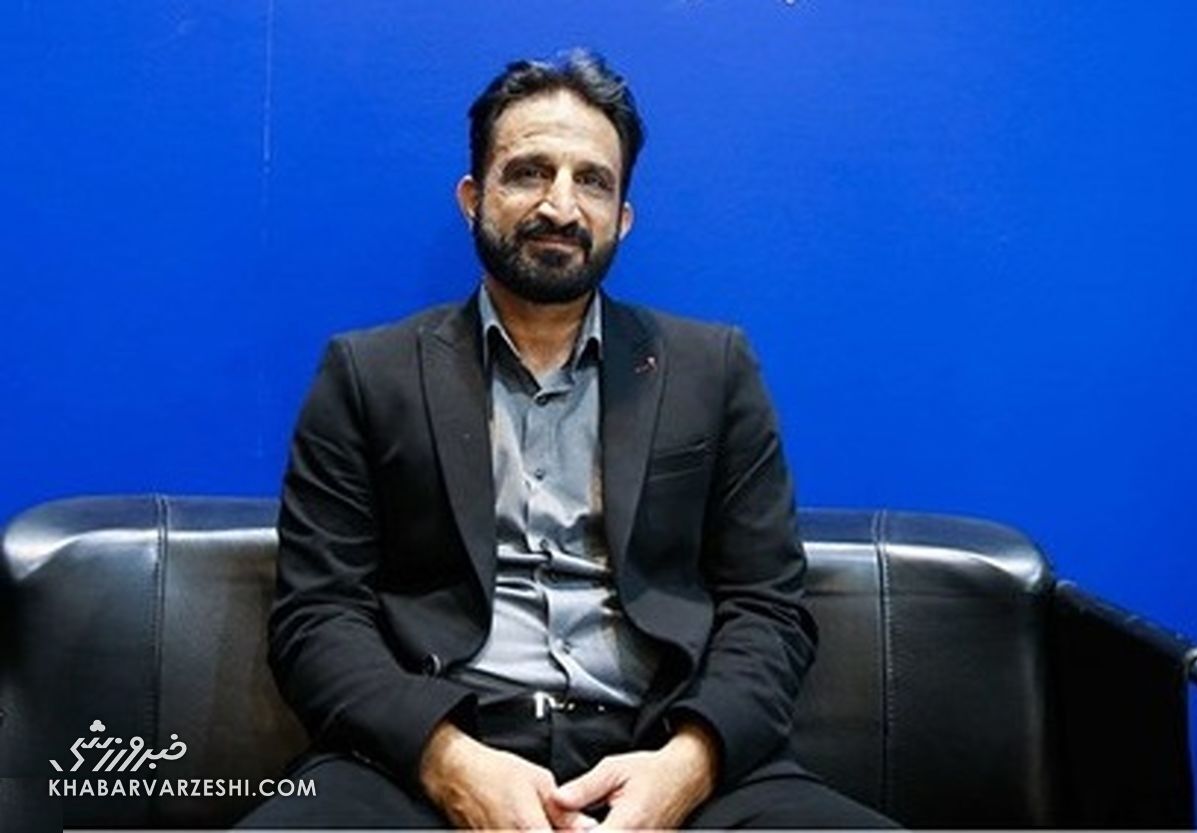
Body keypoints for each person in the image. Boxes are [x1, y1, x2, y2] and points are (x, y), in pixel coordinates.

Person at [240, 50, 897, 829]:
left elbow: (768, 608)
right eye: (528, 173)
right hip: (430, 755)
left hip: (664, 746)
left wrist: (688, 766)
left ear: (623, 216)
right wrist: (447, 762)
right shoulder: (366, 374)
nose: (561, 205)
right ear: (472, 197)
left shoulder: (713, 369)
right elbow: (316, 617)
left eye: (593, 181)